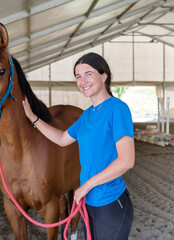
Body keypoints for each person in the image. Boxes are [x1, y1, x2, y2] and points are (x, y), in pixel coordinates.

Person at [22, 52, 135, 240]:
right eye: (78, 76)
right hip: (89, 202)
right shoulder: (87, 115)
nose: (83, 81)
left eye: (88, 74)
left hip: (110, 202)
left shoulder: (117, 109)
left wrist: (85, 186)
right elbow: (61, 139)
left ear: (104, 76)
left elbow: (127, 160)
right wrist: (33, 118)